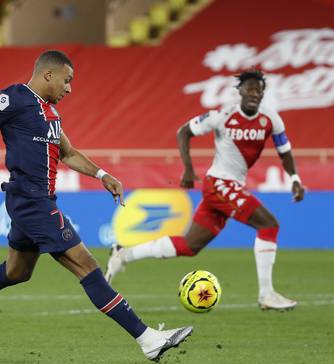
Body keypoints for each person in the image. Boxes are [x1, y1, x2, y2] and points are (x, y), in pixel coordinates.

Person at [0, 50, 192, 362]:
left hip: (37, 201)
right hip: (31, 201)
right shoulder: (16, 98)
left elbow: (68, 153)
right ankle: (149, 339)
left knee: (16, 271)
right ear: (48, 75)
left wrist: (102, 174)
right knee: (87, 267)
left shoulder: (49, 113)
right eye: (67, 80)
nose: (69, 88)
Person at [105, 69, 305, 311]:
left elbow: (284, 151)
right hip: (219, 183)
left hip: (227, 187)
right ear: (239, 91)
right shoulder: (222, 115)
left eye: (259, 89)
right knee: (269, 225)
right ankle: (266, 294)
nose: (254, 93)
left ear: (263, 93)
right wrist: (188, 170)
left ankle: (123, 254)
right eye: (250, 88)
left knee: (190, 246)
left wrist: (294, 177)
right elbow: (184, 132)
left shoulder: (271, 119)